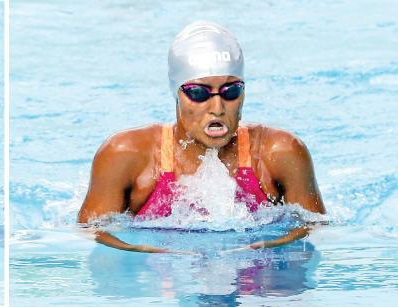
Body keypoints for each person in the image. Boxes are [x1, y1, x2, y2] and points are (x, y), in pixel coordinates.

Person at [77, 21, 326, 253]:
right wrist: (137, 251)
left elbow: (315, 229)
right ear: (176, 92)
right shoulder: (125, 154)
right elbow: (90, 234)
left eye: (231, 91)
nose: (217, 107)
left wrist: (272, 245)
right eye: (198, 92)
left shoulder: (280, 152)